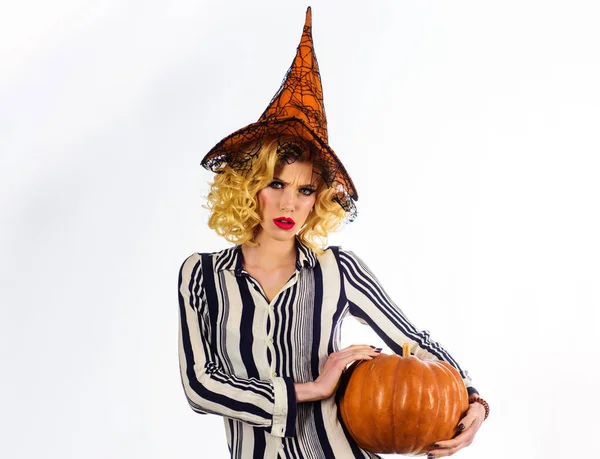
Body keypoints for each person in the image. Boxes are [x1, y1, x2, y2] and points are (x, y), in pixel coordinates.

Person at [178, 7, 488, 459]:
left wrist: (474, 400)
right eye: (276, 183)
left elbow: (413, 343)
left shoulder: (338, 270)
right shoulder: (202, 275)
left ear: (318, 199)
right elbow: (200, 386)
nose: (290, 204)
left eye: (306, 190)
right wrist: (311, 387)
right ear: (249, 187)